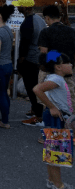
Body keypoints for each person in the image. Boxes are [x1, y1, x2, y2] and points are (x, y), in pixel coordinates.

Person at [33, 51, 74, 189]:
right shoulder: (56, 79)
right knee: (57, 153)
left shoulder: (55, 78)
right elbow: (37, 89)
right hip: (57, 119)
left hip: (56, 117)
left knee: (53, 151)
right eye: (67, 62)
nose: (71, 65)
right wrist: (52, 107)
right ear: (59, 66)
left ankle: (52, 181)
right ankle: (59, 185)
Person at [12, 0, 47, 126]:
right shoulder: (39, 19)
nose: (17, 7)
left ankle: (38, 117)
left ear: (26, 8)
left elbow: (24, 45)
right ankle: (35, 110)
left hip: (30, 59)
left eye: (19, 6)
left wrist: (20, 61)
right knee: (36, 85)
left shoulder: (27, 23)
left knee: (31, 87)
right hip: (38, 58)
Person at [39, 4, 75, 109]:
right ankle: (70, 121)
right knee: (70, 98)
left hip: (51, 71)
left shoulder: (46, 32)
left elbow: (44, 52)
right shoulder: (71, 31)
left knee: (49, 98)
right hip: (68, 69)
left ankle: (51, 121)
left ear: (47, 18)